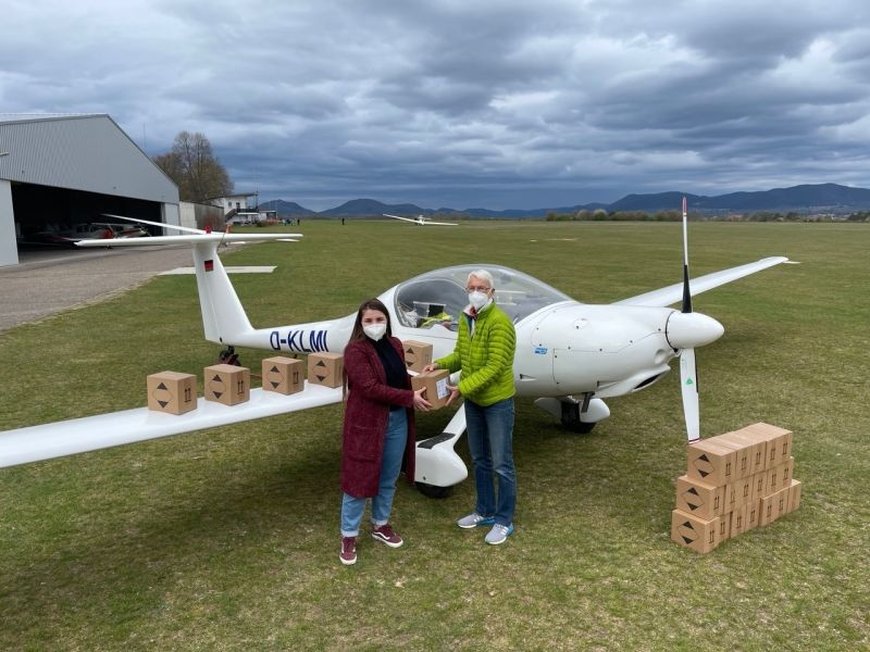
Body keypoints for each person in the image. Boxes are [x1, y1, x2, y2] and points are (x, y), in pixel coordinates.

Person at [423, 269, 517, 545]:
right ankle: (484, 510)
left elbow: (495, 366)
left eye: (482, 288)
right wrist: (440, 365)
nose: (476, 292)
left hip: (497, 402)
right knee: (480, 460)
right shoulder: (467, 318)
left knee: (502, 464)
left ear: (492, 292)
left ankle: (504, 520)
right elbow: (462, 355)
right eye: (472, 287)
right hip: (474, 401)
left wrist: (461, 388)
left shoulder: (500, 323)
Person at [339, 298, 432, 566]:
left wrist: (422, 379)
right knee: (358, 480)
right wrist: (409, 397)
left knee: (388, 477)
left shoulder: (395, 345)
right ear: (360, 323)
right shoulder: (355, 351)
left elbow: (399, 377)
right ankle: (348, 535)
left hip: (397, 421)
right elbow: (369, 388)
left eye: (379, 319)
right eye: (368, 321)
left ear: (387, 321)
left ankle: (380, 524)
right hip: (367, 424)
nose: (374, 325)